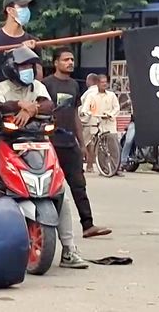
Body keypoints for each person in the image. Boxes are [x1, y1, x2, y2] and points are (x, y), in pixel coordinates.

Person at [0, 46, 88, 269]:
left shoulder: (37, 87)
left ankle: (69, 250)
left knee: (60, 194)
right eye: (23, 66)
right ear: (11, 68)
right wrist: (18, 105)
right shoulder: (0, 89)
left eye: (31, 66)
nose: (28, 70)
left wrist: (33, 108)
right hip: (1, 150)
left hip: (37, 149)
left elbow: (49, 104)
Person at [42, 48, 112, 237]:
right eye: (66, 59)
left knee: (79, 185)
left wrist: (82, 144)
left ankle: (88, 225)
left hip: (70, 143)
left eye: (72, 59)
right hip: (50, 143)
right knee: (50, 188)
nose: (70, 62)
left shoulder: (74, 85)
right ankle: (48, 228)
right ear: (56, 63)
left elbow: (75, 115)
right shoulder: (46, 84)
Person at [80, 74, 120, 174]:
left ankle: (115, 168)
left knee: (113, 147)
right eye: (102, 82)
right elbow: (85, 108)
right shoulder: (91, 95)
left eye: (105, 82)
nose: (104, 84)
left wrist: (110, 115)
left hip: (109, 123)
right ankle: (104, 169)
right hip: (95, 121)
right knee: (96, 145)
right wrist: (86, 113)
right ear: (97, 83)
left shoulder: (111, 95)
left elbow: (116, 108)